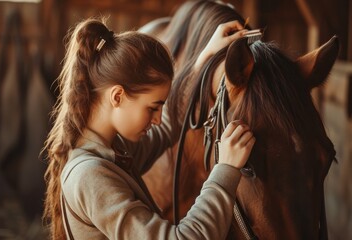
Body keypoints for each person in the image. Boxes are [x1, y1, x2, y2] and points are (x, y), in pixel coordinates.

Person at [43, 17, 255, 240]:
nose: (157, 120)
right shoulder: (91, 175)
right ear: (117, 96)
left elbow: (169, 125)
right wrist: (226, 169)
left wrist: (205, 57)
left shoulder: (113, 149)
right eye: (153, 108)